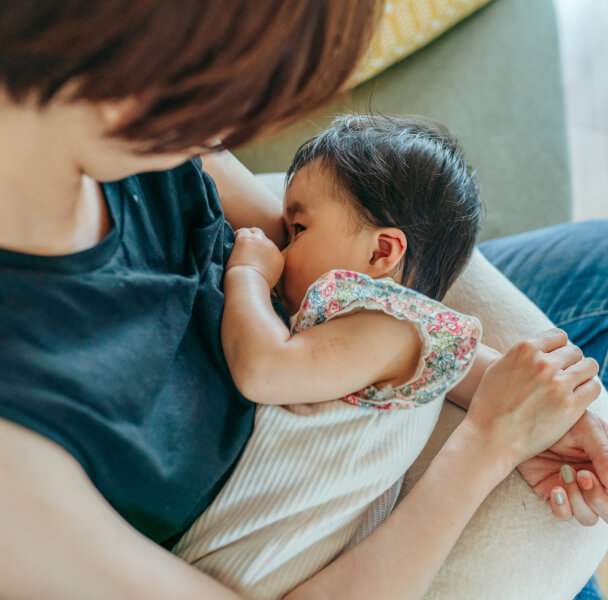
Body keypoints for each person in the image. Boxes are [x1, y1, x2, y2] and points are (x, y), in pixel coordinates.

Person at [0, 2, 607, 599]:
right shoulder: (20, 451)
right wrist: (490, 442)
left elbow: (333, 275)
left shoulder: (150, 134)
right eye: (232, 91)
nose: (233, 129)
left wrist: (519, 395)